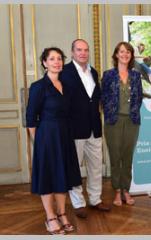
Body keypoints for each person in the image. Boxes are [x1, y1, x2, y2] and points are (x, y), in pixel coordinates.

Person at [26, 47, 81, 234]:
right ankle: (50, 217)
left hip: (64, 136)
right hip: (47, 138)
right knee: (48, 178)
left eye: (59, 59)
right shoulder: (38, 87)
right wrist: (40, 142)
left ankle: (62, 213)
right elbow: (31, 119)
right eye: (52, 59)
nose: (56, 62)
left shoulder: (67, 86)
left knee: (62, 176)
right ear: (44, 63)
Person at [61, 39, 110, 218]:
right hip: (74, 129)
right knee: (75, 167)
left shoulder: (93, 72)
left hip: (94, 127)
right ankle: (78, 203)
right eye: (79, 50)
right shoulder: (64, 72)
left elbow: (94, 100)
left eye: (86, 50)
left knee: (96, 166)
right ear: (72, 52)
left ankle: (95, 199)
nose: (83, 53)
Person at [101, 41, 143, 206]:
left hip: (132, 121)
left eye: (128, 52)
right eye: (122, 52)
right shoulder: (108, 75)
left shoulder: (136, 76)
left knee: (127, 155)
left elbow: (139, 98)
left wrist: (132, 112)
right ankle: (117, 190)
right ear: (116, 55)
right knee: (115, 156)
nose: (125, 55)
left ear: (131, 56)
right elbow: (103, 98)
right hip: (113, 121)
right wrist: (110, 113)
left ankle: (126, 189)